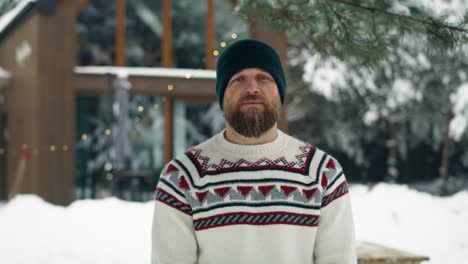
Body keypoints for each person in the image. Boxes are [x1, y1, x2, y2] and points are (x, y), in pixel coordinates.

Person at [151, 39, 357, 264]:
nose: (252, 89)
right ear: (222, 95)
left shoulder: (322, 173)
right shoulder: (182, 178)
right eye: (238, 79)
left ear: (280, 92)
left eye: (263, 78)